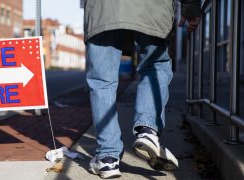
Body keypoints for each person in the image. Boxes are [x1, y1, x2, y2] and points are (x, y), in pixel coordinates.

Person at [83, 0, 201, 178]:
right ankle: (147, 130)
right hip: (153, 7)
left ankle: (107, 158)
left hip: (104, 8)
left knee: (102, 80)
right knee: (155, 65)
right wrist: (191, 8)